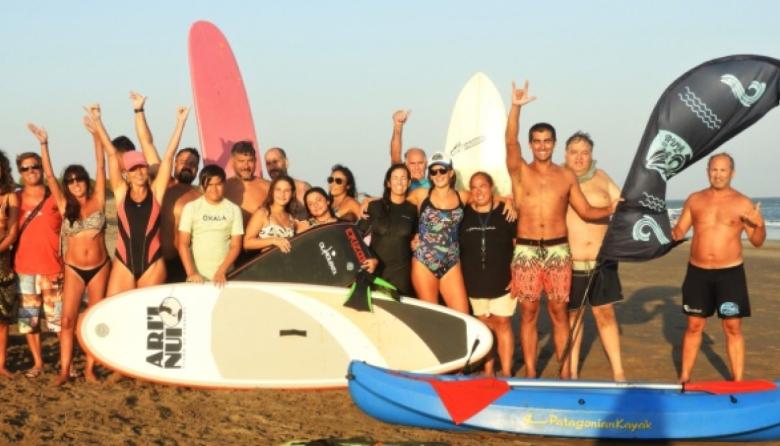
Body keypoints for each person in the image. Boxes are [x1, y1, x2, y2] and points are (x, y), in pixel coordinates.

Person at [505, 81, 617, 379]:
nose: (542, 145)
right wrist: (515, 107)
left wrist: (612, 210)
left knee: (558, 313)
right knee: (528, 314)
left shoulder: (566, 176)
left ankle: (565, 373)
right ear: (531, 144)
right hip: (527, 249)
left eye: (547, 141)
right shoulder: (520, 172)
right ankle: (530, 373)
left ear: (554, 144)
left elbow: (585, 211)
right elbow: (510, 142)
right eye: (537, 141)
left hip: (558, 249)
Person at [672, 153, 765, 383]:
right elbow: (678, 233)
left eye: (723, 170)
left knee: (732, 327)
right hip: (698, 272)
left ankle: (737, 381)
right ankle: (684, 378)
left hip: (729, 273)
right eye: (714, 169)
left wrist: (759, 224)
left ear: (732, 173)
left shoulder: (743, 203)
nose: (718, 174)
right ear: (708, 171)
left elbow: (757, 241)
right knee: (694, 326)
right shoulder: (695, 200)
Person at [87, 102, 188, 296]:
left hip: (153, 264)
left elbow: (168, 157)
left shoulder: (156, 192)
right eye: (133, 169)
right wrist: (99, 121)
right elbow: (111, 153)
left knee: (146, 317)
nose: (139, 172)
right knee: (115, 310)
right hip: (124, 263)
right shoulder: (120, 192)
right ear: (126, 174)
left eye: (142, 167)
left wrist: (180, 123)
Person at [43, 118, 110, 385]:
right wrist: (44, 144)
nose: (75, 183)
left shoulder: (98, 200)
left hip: (100, 266)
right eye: (70, 180)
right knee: (68, 319)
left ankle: (90, 368)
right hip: (73, 268)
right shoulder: (63, 204)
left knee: (94, 318)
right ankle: (64, 369)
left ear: (86, 181)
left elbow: (101, 164)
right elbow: (49, 176)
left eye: (79, 179)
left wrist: (95, 134)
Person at [563, 132, 625, 381]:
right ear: (565, 154)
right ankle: (573, 374)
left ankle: (619, 373)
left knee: (605, 314)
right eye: (574, 152)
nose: (579, 158)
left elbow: (623, 205)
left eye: (585, 152)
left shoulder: (602, 178)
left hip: (602, 261)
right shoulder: (559, 178)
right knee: (573, 318)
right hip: (571, 262)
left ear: (591, 155)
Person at [14, 131, 64, 379]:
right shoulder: (14, 199)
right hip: (24, 269)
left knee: (58, 320)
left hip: (53, 267)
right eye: (26, 168)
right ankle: (38, 363)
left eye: (35, 166)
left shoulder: (55, 196)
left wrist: (45, 143)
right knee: (29, 321)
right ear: (20, 173)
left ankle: (66, 363)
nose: (31, 171)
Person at [459, 172, 516, 376]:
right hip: (474, 281)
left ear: (491, 187)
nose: (479, 191)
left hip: (502, 280)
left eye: (483, 186)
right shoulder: (463, 215)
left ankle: (508, 371)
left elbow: (517, 244)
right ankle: (489, 369)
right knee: (484, 326)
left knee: (503, 324)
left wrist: (517, 273)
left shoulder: (505, 212)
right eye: (474, 187)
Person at [178, 165, 243, 286]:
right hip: (197, 278)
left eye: (218, 184)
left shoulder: (234, 209)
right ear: (202, 186)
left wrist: (221, 271)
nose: (214, 189)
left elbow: (236, 245)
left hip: (226, 276)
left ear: (224, 184)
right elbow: (183, 244)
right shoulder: (191, 207)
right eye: (210, 185)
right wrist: (191, 273)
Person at [360, 164, 418, 297]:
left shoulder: (413, 210)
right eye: (395, 178)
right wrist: (370, 257)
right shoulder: (374, 206)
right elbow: (356, 235)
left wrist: (416, 243)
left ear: (409, 182)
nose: (399, 181)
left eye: (403, 178)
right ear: (388, 183)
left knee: (397, 313)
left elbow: (416, 237)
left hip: (401, 273)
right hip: (375, 269)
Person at [161, 147, 201, 283]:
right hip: (159, 261)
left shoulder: (200, 197)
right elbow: (147, 144)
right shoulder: (162, 188)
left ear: (197, 169)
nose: (187, 166)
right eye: (183, 161)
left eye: (192, 164)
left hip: (187, 264)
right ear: (175, 164)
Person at [244, 175, 305, 253]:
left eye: (287, 190)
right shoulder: (263, 213)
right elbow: (247, 243)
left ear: (292, 193)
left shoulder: (291, 218)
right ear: (272, 191)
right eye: (278, 190)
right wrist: (274, 240)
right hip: (268, 262)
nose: (282, 194)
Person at [0, 150, 19, 378]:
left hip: (2, 260)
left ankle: (1, 364)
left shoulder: (10, 196)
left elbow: (13, 232)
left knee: (2, 318)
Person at [225, 141, 270, 225]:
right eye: (241, 161)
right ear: (232, 162)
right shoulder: (223, 188)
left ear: (255, 161)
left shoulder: (267, 187)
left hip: (262, 237)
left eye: (250, 161)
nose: (246, 166)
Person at [264, 147, 310, 218]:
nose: (272, 167)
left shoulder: (303, 188)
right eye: (268, 164)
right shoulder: (266, 192)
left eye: (275, 162)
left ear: (286, 162)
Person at [390, 110, 430, 191]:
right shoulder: (402, 186)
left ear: (426, 164)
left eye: (420, 163)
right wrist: (398, 126)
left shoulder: (435, 185)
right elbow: (395, 156)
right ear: (406, 165)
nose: (417, 168)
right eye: (412, 163)